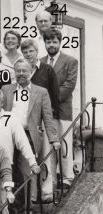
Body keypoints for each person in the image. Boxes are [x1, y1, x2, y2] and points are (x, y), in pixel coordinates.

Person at [2, 59, 61, 202]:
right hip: (8, 134)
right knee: (7, 167)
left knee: (27, 170)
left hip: (28, 135)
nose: (21, 73)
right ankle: (9, 205)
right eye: (18, 71)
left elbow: (48, 117)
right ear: (14, 72)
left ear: (30, 72)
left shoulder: (41, 92)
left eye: (24, 71)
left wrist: (53, 139)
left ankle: (30, 204)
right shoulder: (6, 89)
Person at [41, 28, 78, 190]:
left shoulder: (70, 61)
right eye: (48, 42)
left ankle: (67, 176)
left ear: (59, 42)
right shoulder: (40, 61)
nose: (51, 45)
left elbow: (69, 84)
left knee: (64, 143)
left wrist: (50, 101)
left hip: (62, 109)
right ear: (45, 43)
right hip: (45, 111)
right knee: (48, 146)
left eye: (54, 41)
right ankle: (51, 178)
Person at [21, 39, 60, 119]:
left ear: (37, 51)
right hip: (24, 115)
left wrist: (52, 115)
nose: (28, 54)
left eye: (31, 51)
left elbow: (55, 95)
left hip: (43, 116)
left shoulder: (48, 70)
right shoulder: (20, 71)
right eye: (25, 52)